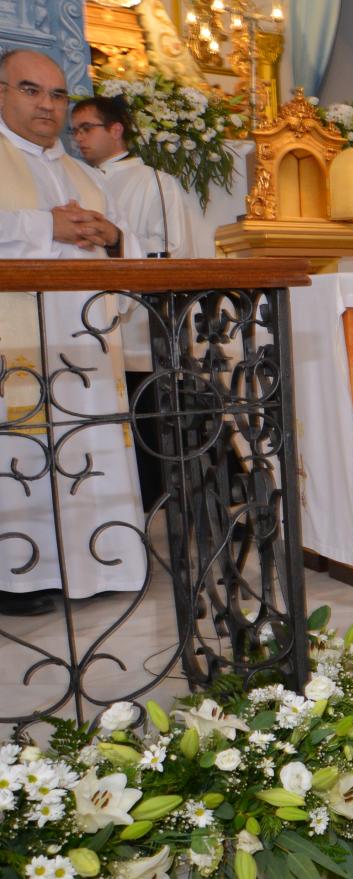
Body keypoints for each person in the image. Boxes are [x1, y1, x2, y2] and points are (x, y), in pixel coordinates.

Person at [0, 49, 145, 616]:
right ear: (2, 93)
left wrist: (113, 238)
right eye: (31, 90)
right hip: (20, 343)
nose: (47, 105)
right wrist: (47, 227)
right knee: (23, 448)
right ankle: (18, 575)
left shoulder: (86, 176)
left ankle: (101, 563)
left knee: (88, 441)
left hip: (86, 346)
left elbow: (127, 253)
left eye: (58, 94)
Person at [72, 93, 201, 511]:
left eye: (86, 128)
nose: (78, 138)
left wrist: (118, 241)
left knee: (145, 433)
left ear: (116, 130)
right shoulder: (74, 180)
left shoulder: (154, 182)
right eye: (74, 131)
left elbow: (173, 252)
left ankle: (148, 509)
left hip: (138, 331)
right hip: (85, 326)